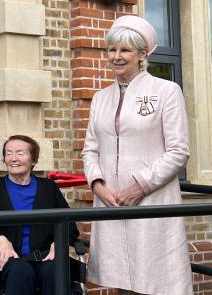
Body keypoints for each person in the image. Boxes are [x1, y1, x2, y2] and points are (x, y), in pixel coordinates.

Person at [82, 15, 192, 294]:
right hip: (110, 202)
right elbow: (90, 149)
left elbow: (179, 151)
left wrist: (139, 186)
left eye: (125, 50)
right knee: (118, 280)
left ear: (143, 54)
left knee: (154, 281)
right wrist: (97, 185)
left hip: (151, 200)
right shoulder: (100, 98)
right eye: (112, 50)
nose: (116, 57)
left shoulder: (166, 91)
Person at [0, 135, 79, 295]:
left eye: (20, 153)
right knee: (21, 271)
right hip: (9, 260)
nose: (13, 158)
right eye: (8, 153)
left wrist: (59, 242)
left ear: (33, 160)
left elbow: (69, 224)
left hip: (45, 257)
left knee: (55, 270)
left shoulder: (49, 188)